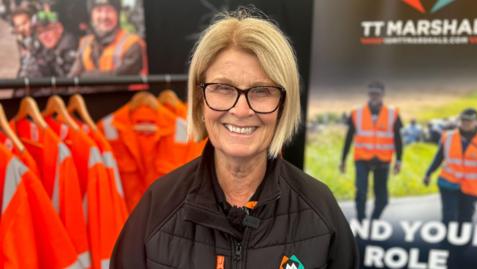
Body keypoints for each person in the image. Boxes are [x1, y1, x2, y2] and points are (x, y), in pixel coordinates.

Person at [111, 9, 358, 269]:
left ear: (283, 104)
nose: (241, 111)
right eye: (223, 88)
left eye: (262, 91)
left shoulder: (320, 210)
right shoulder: (157, 207)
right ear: (199, 98)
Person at [339, 81, 403, 220]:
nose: (374, 96)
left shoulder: (393, 113)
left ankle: (373, 222)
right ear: (368, 94)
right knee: (361, 193)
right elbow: (349, 138)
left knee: (383, 199)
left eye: (377, 93)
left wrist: (399, 160)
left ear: (382, 95)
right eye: (372, 93)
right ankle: (361, 220)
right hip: (362, 159)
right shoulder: (357, 113)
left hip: (383, 160)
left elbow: (398, 139)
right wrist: (343, 159)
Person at [424, 108, 477, 224]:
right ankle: (446, 241)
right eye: (463, 120)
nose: (466, 123)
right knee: (449, 216)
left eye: (469, 120)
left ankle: (462, 241)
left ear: (476, 122)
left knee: (465, 218)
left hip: (471, 186)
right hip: (448, 183)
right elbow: (439, 157)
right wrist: (428, 173)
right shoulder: (449, 137)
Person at [68, 0, 147, 77]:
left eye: (109, 10)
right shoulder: (85, 42)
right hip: (85, 90)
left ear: (117, 14)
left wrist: (85, 77)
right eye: (99, 10)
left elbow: (120, 80)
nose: (104, 16)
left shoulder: (133, 43)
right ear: (91, 15)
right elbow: (72, 78)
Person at [34, 9, 78, 77]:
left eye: (47, 30)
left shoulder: (70, 49)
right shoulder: (43, 49)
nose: (44, 36)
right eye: (40, 32)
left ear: (59, 29)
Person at [10, 4, 43, 77]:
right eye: (18, 26)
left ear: (32, 21)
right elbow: (24, 59)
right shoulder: (20, 38)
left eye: (24, 23)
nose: (22, 28)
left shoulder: (40, 36)